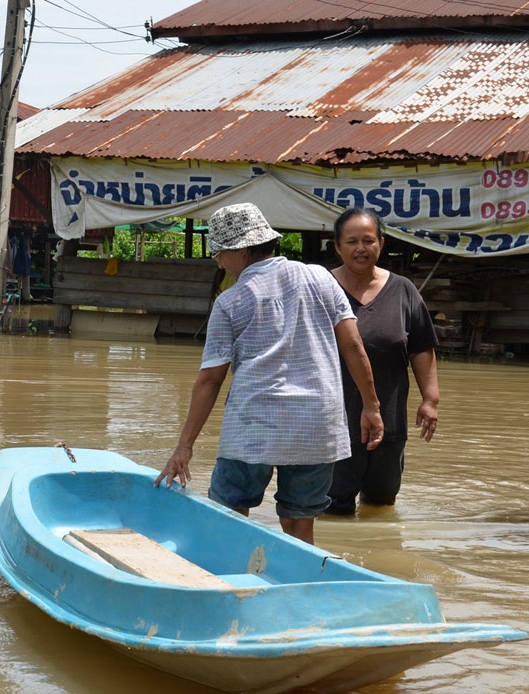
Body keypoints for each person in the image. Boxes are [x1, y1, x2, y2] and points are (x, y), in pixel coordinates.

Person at [155, 203, 385, 544]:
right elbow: (353, 347)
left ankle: (232, 583)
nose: (217, 261)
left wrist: (183, 447)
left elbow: (210, 379)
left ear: (242, 250)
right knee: (299, 523)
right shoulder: (321, 278)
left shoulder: (231, 302)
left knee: (229, 517)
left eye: (219, 252)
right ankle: (298, 586)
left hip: (253, 429)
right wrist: (371, 406)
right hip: (316, 426)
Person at [324, 208, 439, 514]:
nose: (360, 248)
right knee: (332, 509)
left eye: (368, 240)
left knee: (380, 506)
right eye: (351, 241)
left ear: (381, 244)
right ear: (337, 246)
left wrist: (430, 400)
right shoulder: (321, 288)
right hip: (332, 423)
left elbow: (422, 348)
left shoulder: (403, 290)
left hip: (388, 420)